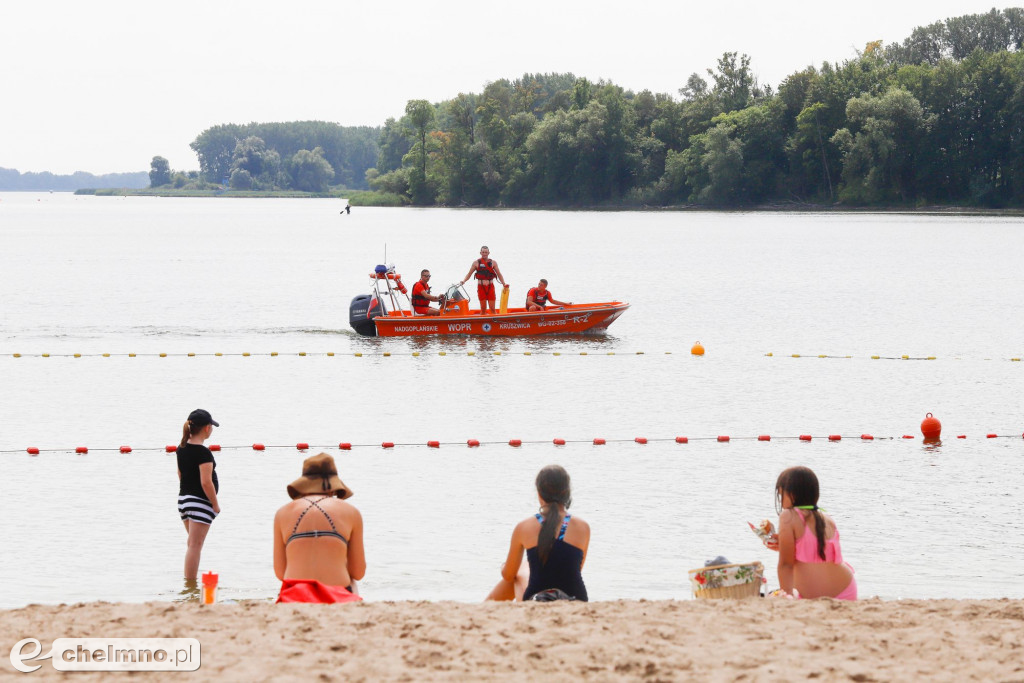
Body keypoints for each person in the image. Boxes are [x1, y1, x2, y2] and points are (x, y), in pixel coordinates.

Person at [486, 465, 590, 602]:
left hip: (538, 600)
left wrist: (504, 566)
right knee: (526, 568)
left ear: (539, 493)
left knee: (517, 574)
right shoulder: (583, 527)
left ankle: (480, 611)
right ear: (567, 492)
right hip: (577, 599)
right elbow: (576, 569)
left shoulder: (524, 527)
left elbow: (508, 575)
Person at [274, 453, 365, 603]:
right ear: (334, 486)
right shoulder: (351, 511)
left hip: (295, 596)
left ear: (304, 484)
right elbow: (358, 572)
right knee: (353, 581)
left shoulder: (282, 513)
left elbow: (280, 573)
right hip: (337, 595)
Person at [764, 466, 857, 600]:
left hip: (811, 596)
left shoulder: (788, 516)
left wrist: (786, 597)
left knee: (771, 597)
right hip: (846, 591)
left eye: (781, 494)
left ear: (792, 494)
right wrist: (785, 547)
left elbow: (786, 565)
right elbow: (818, 555)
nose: (780, 501)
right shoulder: (826, 517)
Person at [176, 408, 221, 581]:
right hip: (200, 502)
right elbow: (206, 482)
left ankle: (189, 585)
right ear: (207, 428)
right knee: (195, 546)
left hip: (184, 500)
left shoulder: (182, 449)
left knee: (192, 544)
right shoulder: (203, 453)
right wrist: (215, 504)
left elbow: (180, 475)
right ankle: (191, 584)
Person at [460, 246, 507, 315]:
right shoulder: (476, 263)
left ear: (488, 253)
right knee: (483, 309)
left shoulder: (493, 263)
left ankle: (495, 322)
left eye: (486, 252)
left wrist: (504, 283)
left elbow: (499, 274)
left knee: (492, 309)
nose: (484, 254)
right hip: (481, 287)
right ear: (480, 253)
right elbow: (469, 274)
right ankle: (482, 324)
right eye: (483, 252)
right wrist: (463, 281)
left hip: (490, 287)